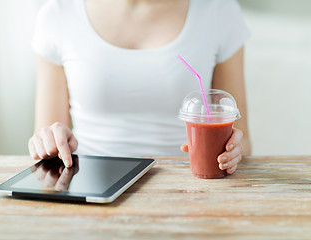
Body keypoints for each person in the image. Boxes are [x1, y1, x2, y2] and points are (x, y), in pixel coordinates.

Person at [28, 0, 251, 175]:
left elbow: (243, 142)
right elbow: (48, 140)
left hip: (189, 184)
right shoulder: (57, 15)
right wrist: (48, 142)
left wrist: (232, 153)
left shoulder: (219, 12)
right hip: (91, 186)